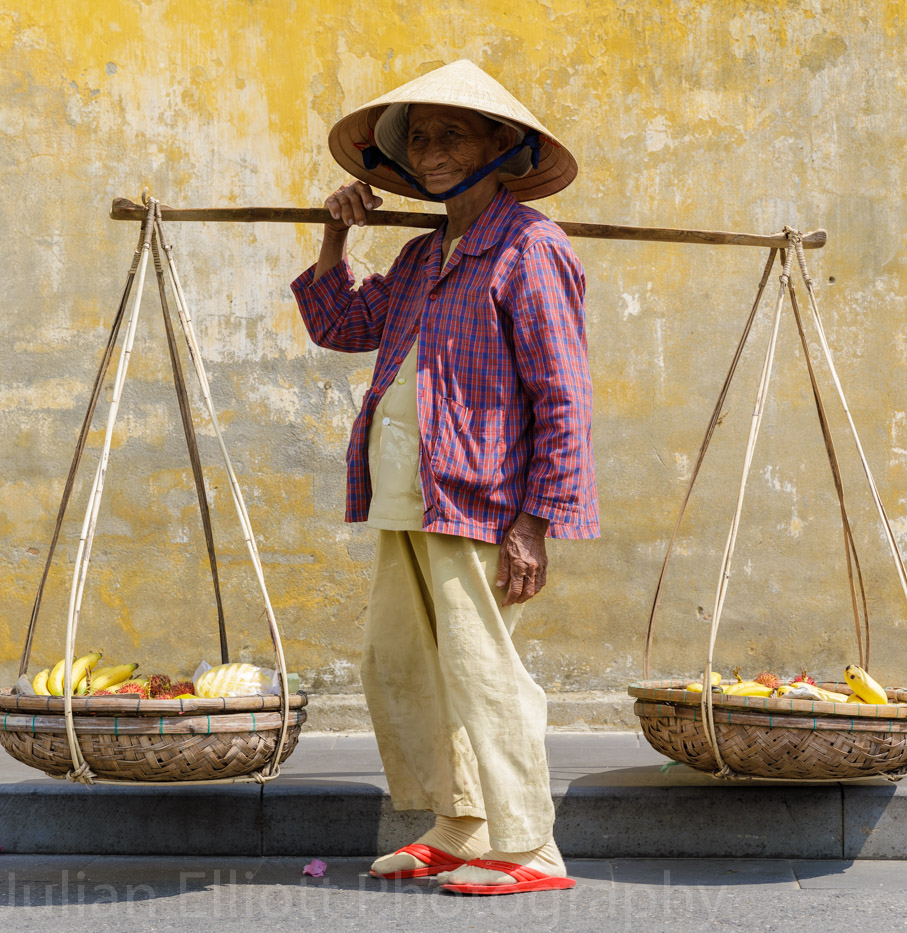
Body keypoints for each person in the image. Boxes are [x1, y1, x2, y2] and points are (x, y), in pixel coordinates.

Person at [289, 60, 599, 895]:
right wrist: (335, 238)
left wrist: (535, 522)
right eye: (418, 136)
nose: (430, 150)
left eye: (450, 133)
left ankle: (531, 841)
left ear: (504, 145)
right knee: (402, 662)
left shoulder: (529, 248)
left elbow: (563, 395)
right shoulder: (426, 254)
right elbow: (343, 325)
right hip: (404, 492)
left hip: (478, 498)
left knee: (482, 667)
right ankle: (461, 821)